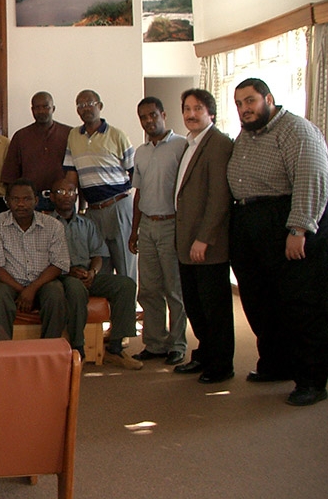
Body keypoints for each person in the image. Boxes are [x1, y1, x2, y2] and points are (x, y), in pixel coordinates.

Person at [228, 78, 328, 406]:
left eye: (250, 101)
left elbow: (312, 178)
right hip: (250, 222)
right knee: (260, 301)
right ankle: (275, 363)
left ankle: (311, 380)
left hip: (286, 221)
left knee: (300, 305)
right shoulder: (248, 133)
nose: (245, 108)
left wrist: (299, 228)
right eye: (240, 103)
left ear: (268, 98)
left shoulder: (296, 130)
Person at [172, 89, 235, 383]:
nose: (191, 114)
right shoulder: (191, 143)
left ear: (211, 112)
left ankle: (221, 365)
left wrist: (204, 238)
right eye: (187, 108)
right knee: (196, 306)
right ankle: (205, 355)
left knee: (215, 308)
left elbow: (219, 197)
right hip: (186, 242)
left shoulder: (218, 143)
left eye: (198, 108)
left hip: (206, 244)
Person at [50, 178, 142, 369]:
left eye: (71, 192)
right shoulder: (46, 224)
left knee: (126, 284)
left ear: (77, 196)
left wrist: (93, 272)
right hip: (62, 276)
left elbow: (99, 253)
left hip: (88, 274)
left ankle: (115, 349)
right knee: (75, 288)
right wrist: (67, 271)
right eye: (60, 192)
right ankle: (78, 349)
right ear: (51, 197)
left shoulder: (87, 223)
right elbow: (43, 260)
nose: (66, 196)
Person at [128, 97, 187, 365]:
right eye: (143, 117)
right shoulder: (140, 151)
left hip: (172, 224)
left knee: (173, 289)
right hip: (147, 226)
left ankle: (176, 344)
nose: (148, 121)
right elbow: (138, 193)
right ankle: (154, 343)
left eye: (153, 115)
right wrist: (134, 230)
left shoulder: (181, 146)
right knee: (149, 289)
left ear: (163, 114)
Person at [0, 179, 72, 340]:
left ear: (36, 200)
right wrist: (21, 290)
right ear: (7, 201)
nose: (21, 204)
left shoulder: (53, 225)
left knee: (56, 293)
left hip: (43, 282)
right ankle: (1, 354)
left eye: (27, 199)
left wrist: (32, 289)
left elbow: (59, 263)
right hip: (9, 283)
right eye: (16, 199)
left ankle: (48, 352)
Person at [64, 89, 136, 280]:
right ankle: (107, 310)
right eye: (80, 105)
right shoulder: (73, 136)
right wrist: (76, 210)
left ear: (100, 106)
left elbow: (135, 173)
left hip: (118, 206)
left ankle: (128, 310)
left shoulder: (117, 135)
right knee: (98, 266)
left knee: (125, 266)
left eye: (90, 103)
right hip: (93, 212)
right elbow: (72, 176)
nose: (85, 108)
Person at [1, 91, 72, 212]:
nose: (41, 111)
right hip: (30, 201)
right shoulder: (21, 136)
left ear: (53, 108)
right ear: (32, 110)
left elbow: (77, 171)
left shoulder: (69, 134)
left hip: (62, 200)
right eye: (37, 107)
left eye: (45, 107)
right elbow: (11, 176)